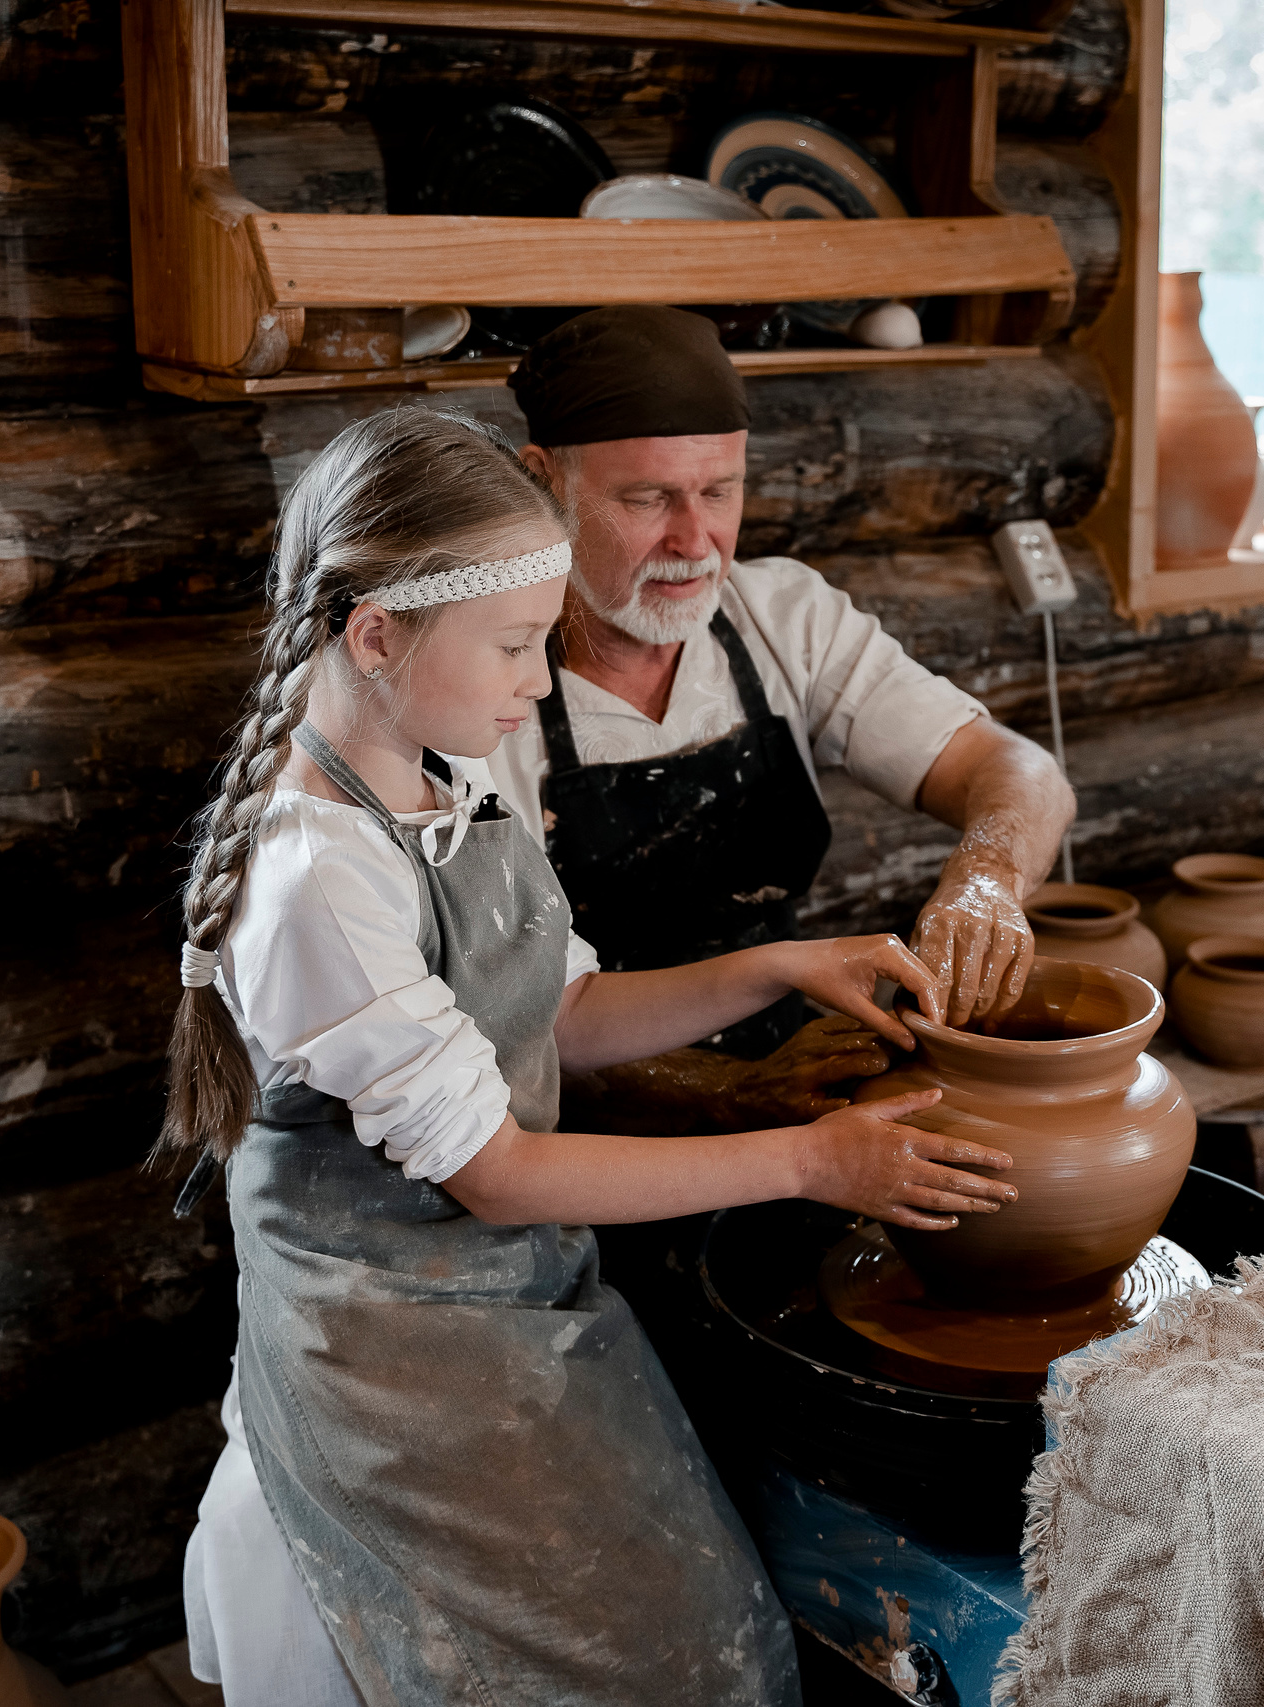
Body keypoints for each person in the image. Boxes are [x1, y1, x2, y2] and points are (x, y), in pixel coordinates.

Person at [167, 410, 1018, 1706]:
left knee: (705, 1636)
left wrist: (780, 966)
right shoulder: (314, 876)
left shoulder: (436, 774)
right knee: (639, 1663)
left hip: (507, 1291)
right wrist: (812, 1157)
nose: (541, 679)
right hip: (388, 1341)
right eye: (518, 644)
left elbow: (561, 1012)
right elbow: (499, 1169)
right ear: (376, 632)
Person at [485, 305, 1078, 1132]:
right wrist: (723, 1093)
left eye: (719, 491)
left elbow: (1019, 770)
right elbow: (501, 1028)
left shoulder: (783, 616)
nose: (695, 541)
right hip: (586, 1136)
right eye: (649, 497)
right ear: (544, 481)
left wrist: (988, 877)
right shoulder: (481, 681)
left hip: (799, 1082)